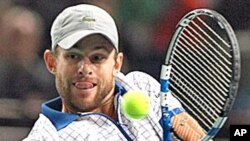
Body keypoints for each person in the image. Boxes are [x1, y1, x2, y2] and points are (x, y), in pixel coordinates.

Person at [23, 4, 205, 141]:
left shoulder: (142, 86)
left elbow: (195, 136)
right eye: (73, 56)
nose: (85, 69)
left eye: (97, 57)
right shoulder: (45, 137)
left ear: (117, 63)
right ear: (52, 62)